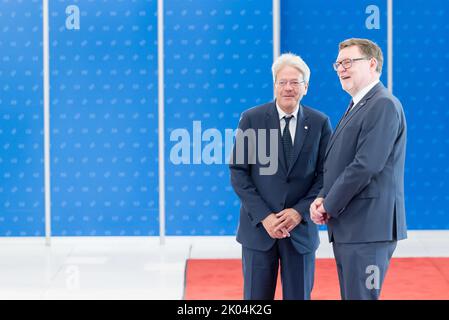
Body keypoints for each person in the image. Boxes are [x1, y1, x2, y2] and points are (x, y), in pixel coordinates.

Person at [310, 38, 407, 300]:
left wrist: (329, 204)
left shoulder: (382, 104)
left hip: (369, 228)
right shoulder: (358, 105)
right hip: (352, 227)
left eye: (348, 62)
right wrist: (322, 197)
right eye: (338, 63)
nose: (341, 68)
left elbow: (366, 165)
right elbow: (339, 163)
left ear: (372, 63)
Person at [229, 53, 332, 300]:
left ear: (305, 87)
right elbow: (239, 172)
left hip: (300, 232)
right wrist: (265, 217)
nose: (288, 88)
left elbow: (326, 174)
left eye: (295, 82)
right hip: (258, 231)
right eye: (282, 82)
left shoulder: (320, 123)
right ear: (274, 85)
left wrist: (299, 211)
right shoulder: (251, 119)